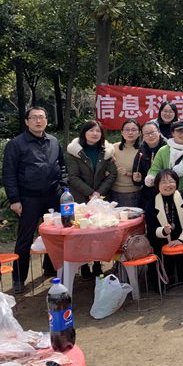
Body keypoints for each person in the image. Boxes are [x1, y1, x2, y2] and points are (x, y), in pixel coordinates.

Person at [2, 107, 63, 293]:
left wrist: (63, 187)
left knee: (55, 235)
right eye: (34, 117)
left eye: (41, 117)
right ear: (26, 121)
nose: (38, 121)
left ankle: (50, 267)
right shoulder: (16, 144)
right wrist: (14, 199)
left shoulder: (53, 141)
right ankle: (19, 279)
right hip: (28, 198)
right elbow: (9, 173)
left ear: (46, 120)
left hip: (53, 195)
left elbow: (62, 166)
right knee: (25, 238)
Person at [66, 119, 118, 278]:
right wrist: (90, 192)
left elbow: (112, 174)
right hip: (80, 197)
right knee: (81, 232)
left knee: (98, 231)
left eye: (98, 131)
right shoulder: (75, 152)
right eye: (91, 130)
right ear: (84, 133)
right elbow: (73, 177)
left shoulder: (106, 152)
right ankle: (83, 264)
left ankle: (97, 263)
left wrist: (98, 193)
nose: (95, 134)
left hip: (99, 198)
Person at [145, 169, 183, 289]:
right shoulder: (152, 202)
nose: (168, 185)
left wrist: (181, 239)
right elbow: (151, 227)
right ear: (157, 185)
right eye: (163, 182)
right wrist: (163, 231)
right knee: (159, 254)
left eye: (171, 181)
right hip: (162, 241)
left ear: (176, 183)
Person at [147, 121, 183, 204]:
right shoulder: (163, 151)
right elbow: (155, 169)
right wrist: (151, 178)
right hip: (166, 196)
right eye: (179, 131)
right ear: (173, 133)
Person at [131, 119, 166, 210]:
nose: (150, 136)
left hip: (167, 190)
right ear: (142, 135)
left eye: (152, 132)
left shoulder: (168, 148)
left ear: (159, 132)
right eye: (146, 133)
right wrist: (138, 179)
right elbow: (137, 176)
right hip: (148, 195)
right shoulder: (141, 151)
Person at [110, 119, 141, 208]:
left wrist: (128, 174)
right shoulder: (113, 147)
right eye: (127, 129)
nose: (130, 132)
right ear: (122, 132)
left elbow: (145, 173)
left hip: (133, 193)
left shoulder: (142, 150)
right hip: (112, 191)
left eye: (134, 130)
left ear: (139, 133)